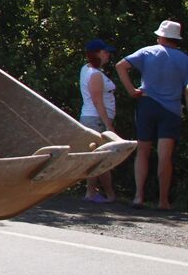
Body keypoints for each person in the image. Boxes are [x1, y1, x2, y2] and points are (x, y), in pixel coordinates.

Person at [117, 20, 188, 210]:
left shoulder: (148, 51)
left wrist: (132, 90)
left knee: (143, 151)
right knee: (165, 156)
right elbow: (187, 89)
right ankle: (163, 201)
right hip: (171, 109)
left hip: (147, 104)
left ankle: (138, 197)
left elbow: (120, 66)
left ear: (162, 37)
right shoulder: (184, 59)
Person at [78, 38, 118, 203]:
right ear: (96, 53)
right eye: (105, 52)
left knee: (98, 157)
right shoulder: (94, 74)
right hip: (96, 120)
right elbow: (97, 101)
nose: (108, 55)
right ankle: (100, 194)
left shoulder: (87, 69)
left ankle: (99, 193)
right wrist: (108, 124)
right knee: (101, 158)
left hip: (93, 118)